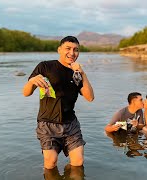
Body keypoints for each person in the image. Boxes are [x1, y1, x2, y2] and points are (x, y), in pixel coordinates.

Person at [22, 36, 94, 170]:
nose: (72, 53)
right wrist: (31, 81)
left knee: (78, 162)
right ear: (59, 50)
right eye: (68, 48)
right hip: (47, 123)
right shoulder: (45, 66)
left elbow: (90, 98)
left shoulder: (77, 73)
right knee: (51, 163)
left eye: (76, 50)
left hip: (71, 124)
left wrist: (82, 73)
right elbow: (26, 93)